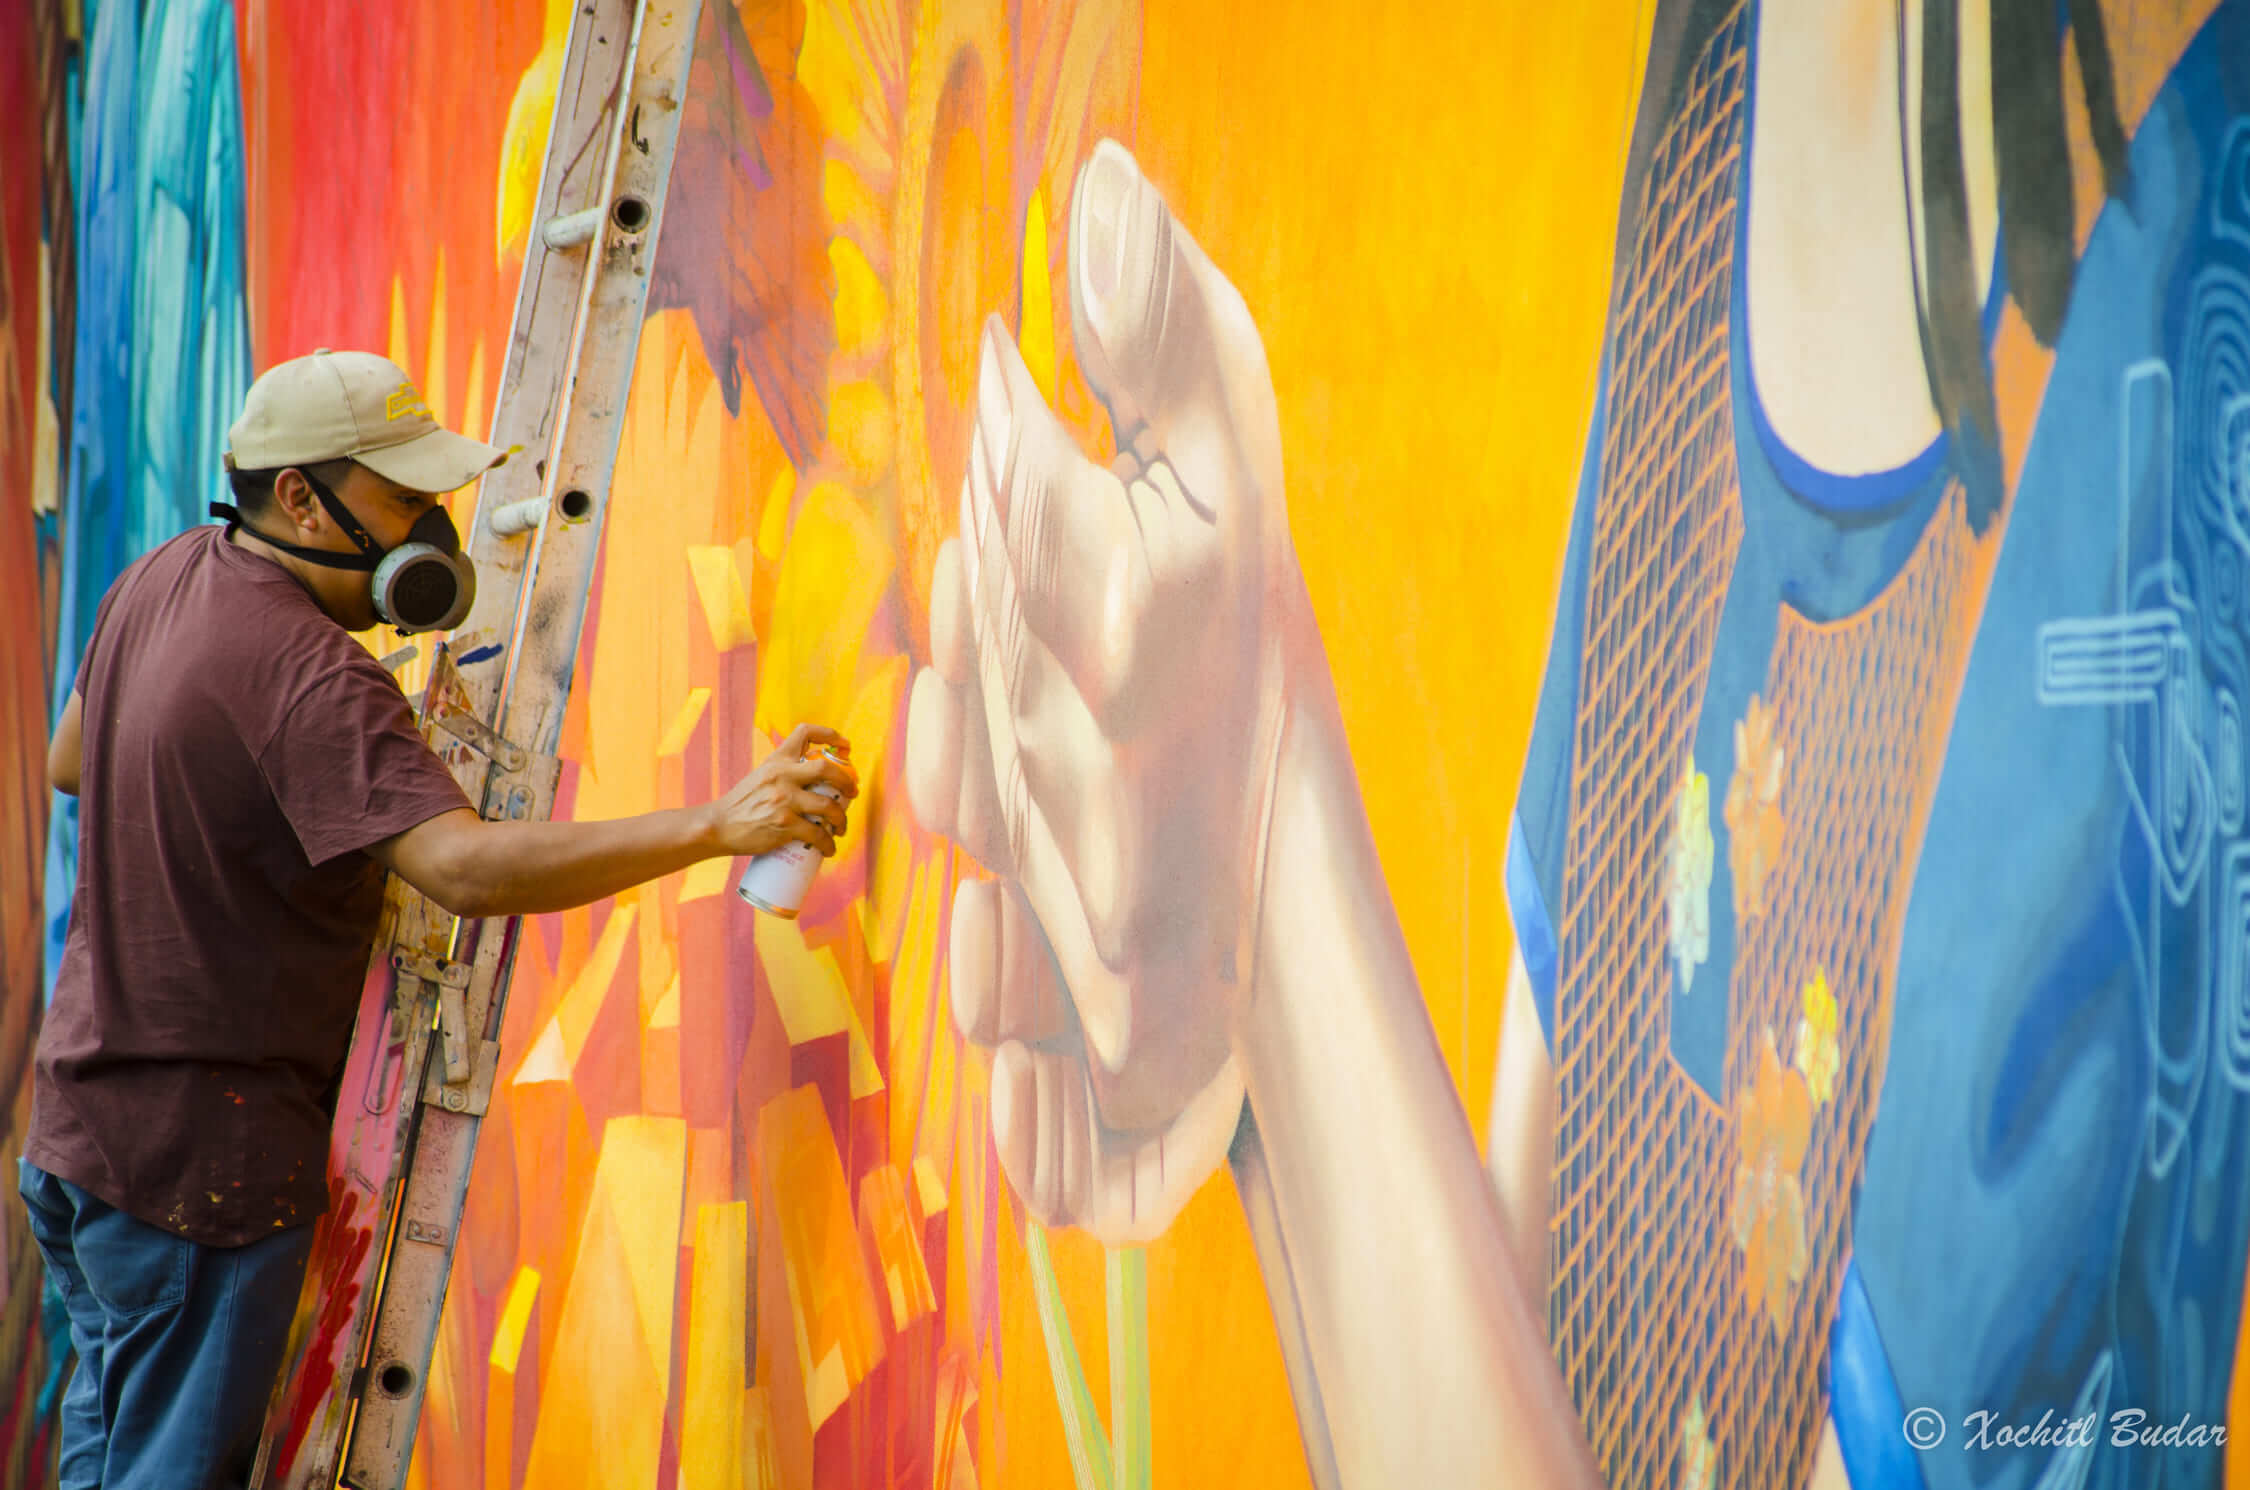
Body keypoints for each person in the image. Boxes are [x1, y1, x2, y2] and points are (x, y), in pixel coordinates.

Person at [19, 348, 859, 1490]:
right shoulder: (310, 674)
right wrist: (719, 824)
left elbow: (73, 758)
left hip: (83, 1140)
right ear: (300, 496)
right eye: (401, 496)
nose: (430, 527)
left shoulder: (162, 576)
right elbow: (462, 869)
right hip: (195, 1174)